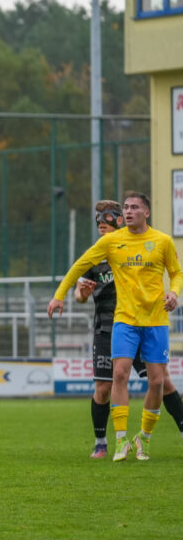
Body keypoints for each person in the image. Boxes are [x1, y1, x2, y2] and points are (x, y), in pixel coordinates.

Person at [48, 191, 182, 462]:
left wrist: (173, 293)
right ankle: (110, 442)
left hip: (152, 321)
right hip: (116, 324)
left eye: (133, 208)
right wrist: (66, 294)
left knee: (160, 381)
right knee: (111, 381)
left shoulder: (159, 241)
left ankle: (146, 436)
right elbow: (79, 277)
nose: (102, 224)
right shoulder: (106, 246)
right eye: (126, 207)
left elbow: (175, 272)